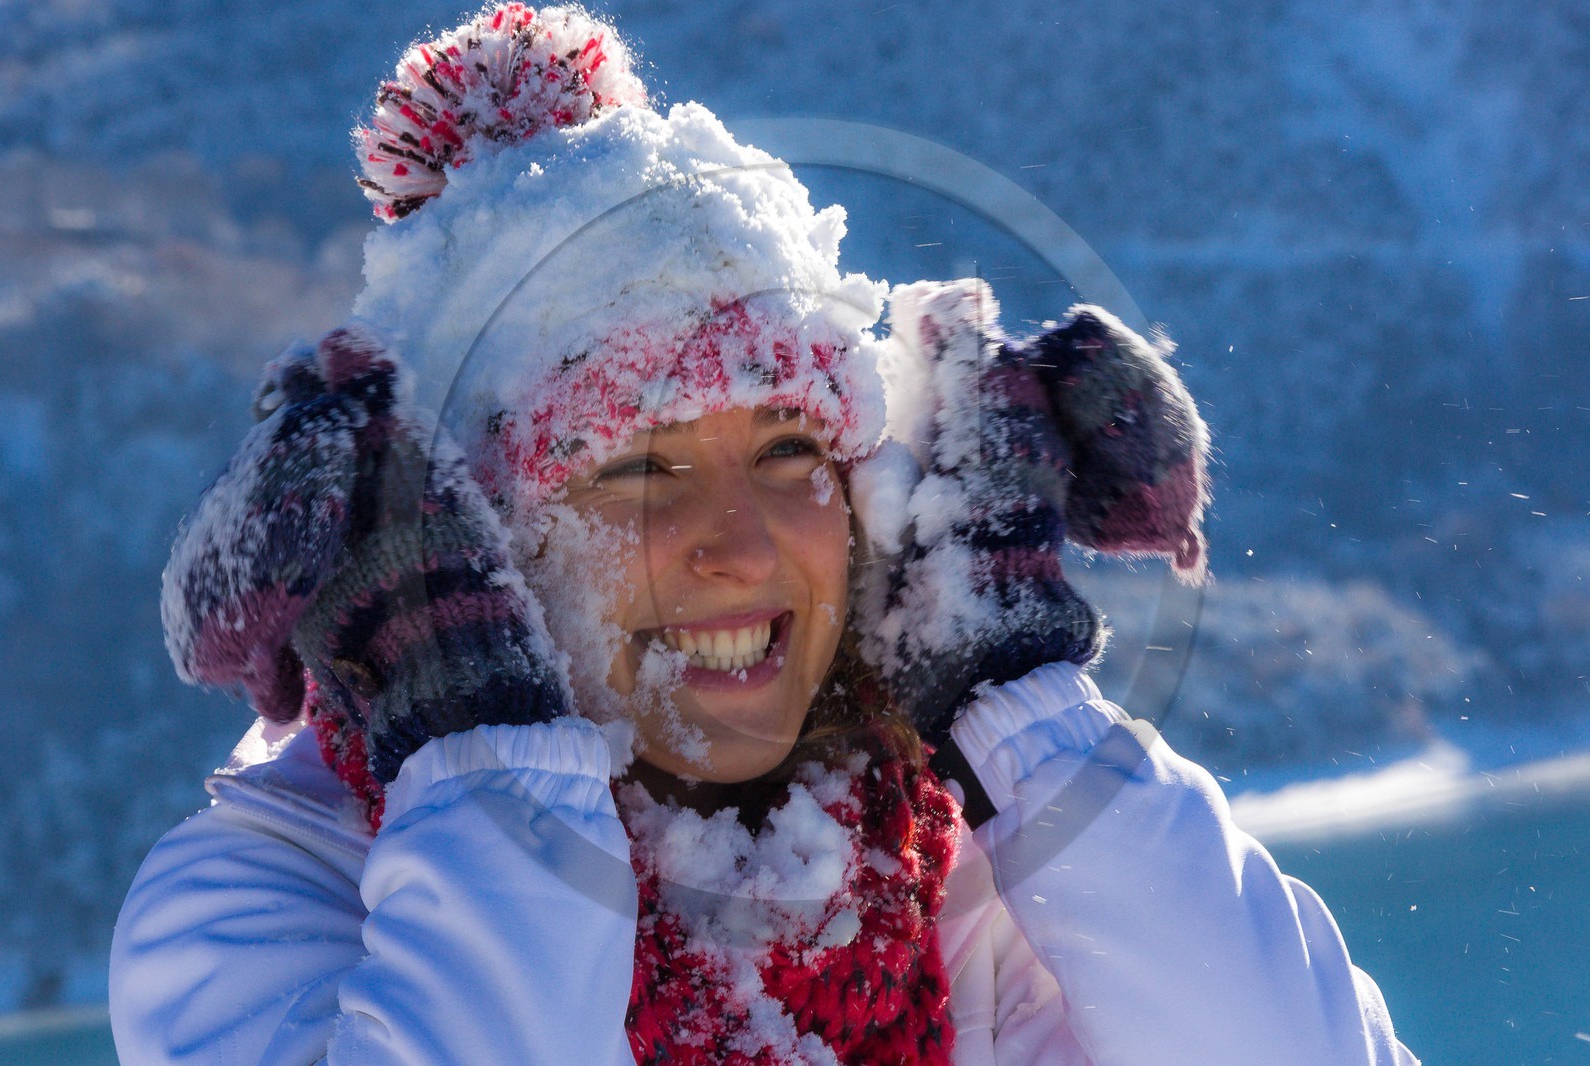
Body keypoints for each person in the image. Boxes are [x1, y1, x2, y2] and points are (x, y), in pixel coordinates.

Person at [111, 5, 1421, 1063]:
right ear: (471, 539)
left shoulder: (944, 872)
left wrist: (1023, 700)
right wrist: (489, 765)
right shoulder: (263, 902)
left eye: (794, 449)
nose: (741, 546)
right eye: (635, 464)